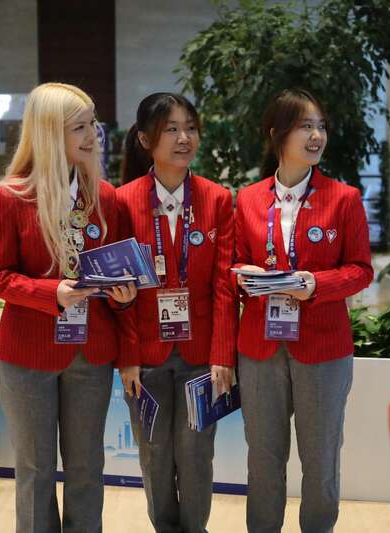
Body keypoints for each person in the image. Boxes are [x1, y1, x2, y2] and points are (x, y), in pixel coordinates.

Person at [0, 82, 137, 533]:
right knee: (35, 470)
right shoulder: (8, 197)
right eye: (79, 127)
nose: (93, 135)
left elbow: (115, 273)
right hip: (28, 357)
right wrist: (52, 294)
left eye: (93, 124)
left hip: (91, 354)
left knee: (87, 467)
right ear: (50, 132)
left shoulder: (103, 197)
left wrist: (123, 294)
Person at [234, 88, 373, 532]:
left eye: (321, 126)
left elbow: (361, 270)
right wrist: (243, 273)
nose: (316, 136)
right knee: (263, 457)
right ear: (276, 133)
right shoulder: (248, 199)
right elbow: (232, 264)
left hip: (324, 346)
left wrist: (315, 284)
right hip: (260, 346)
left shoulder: (344, 198)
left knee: (320, 457)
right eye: (304, 126)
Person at [115, 92, 237, 533]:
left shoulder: (217, 199)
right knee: (153, 454)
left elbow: (224, 285)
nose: (184, 138)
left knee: (197, 453)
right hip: (145, 358)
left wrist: (222, 354)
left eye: (191, 128)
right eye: (171, 129)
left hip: (201, 357)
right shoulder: (122, 201)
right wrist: (128, 356)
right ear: (145, 139)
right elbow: (120, 292)